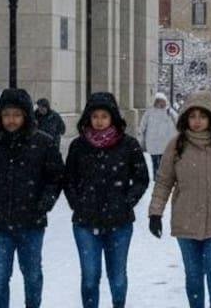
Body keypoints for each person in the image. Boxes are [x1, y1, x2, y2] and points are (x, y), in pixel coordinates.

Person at [0, 88, 65, 308]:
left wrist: (45, 203)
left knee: (33, 275)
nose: (11, 120)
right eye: (7, 115)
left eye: (17, 115)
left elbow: (56, 178)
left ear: (26, 116)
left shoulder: (43, 143)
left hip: (31, 222)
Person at [148, 90, 211, 308]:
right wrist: (155, 212)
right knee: (194, 276)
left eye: (202, 116)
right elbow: (164, 181)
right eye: (192, 116)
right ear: (186, 117)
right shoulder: (176, 145)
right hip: (186, 220)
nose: (197, 121)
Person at [63, 92, 149, 308]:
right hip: (85, 222)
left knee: (117, 278)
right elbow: (68, 180)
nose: (99, 121)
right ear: (88, 119)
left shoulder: (128, 145)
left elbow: (141, 178)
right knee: (90, 278)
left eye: (104, 116)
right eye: (95, 117)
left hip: (119, 222)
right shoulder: (78, 146)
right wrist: (78, 203)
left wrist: (126, 201)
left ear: (112, 118)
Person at [140, 93, 177, 180]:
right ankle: (156, 178)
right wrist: (141, 139)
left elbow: (177, 121)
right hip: (153, 142)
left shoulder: (169, 112)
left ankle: (162, 177)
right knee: (155, 161)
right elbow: (142, 126)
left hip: (165, 142)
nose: (161, 104)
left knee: (163, 161)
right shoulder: (149, 112)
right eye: (159, 102)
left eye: (162, 102)